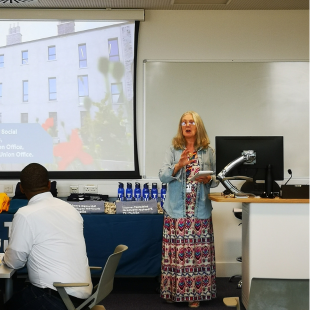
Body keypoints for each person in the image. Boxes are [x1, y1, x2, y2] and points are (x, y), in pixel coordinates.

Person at [3, 163, 92, 310]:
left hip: (54, 296)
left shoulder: (25, 214)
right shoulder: (70, 209)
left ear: (22, 188)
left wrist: (6, 257)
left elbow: (15, 263)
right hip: (82, 297)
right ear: (49, 185)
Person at [159, 111, 219, 308]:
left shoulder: (207, 151)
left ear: (198, 126)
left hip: (199, 209)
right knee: (176, 253)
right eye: (183, 122)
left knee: (197, 254)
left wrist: (209, 178)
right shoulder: (173, 149)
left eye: (191, 121)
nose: (187, 124)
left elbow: (217, 179)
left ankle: (194, 295)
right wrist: (178, 165)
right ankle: (173, 291)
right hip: (177, 210)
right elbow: (162, 176)